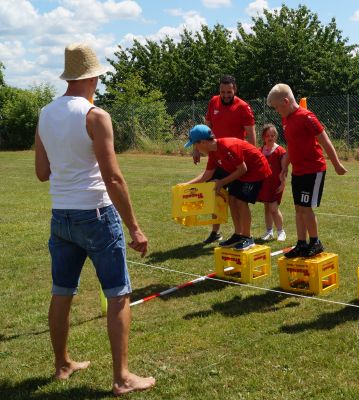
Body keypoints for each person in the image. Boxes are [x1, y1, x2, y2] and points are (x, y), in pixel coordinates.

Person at [34, 43, 155, 396]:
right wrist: (134, 227)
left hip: (61, 216)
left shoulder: (45, 114)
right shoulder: (95, 116)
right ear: (93, 77)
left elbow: (42, 172)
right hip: (97, 216)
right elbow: (113, 178)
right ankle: (122, 377)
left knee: (62, 291)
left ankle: (62, 364)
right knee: (118, 294)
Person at [267, 84, 347, 258]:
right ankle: (301, 243)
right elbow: (292, 147)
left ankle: (315, 242)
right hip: (298, 171)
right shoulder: (286, 119)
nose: (277, 111)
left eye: (277, 107)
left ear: (286, 101)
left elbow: (325, 141)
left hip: (313, 170)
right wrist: (284, 167)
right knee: (298, 208)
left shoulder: (307, 117)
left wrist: (337, 164)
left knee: (306, 207)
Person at [182, 124, 271, 250]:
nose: (196, 148)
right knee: (232, 198)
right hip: (242, 171)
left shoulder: (228, 146)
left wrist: (222, 182)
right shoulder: (213, 153)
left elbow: (243, 169)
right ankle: (238, 234)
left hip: (256, 170)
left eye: (195, 144)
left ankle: (247, 237)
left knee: (241, 201)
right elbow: (207, 175)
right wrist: (186, 186)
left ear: (203, 142)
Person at [195, 75, 257, 246]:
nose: (226, 95)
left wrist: (251, 157)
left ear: (234, 89)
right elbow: (206, 128)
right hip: (217, 157)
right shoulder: (213, 102)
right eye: (223, 92)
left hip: (236, 159)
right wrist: (196, 148)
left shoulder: (243, 107)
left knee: (238, 200)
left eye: (229, 92)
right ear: (219, 90)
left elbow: (251, 134)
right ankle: (215, 232)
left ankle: (244, 234)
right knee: (215, 193)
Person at [257, 124, 287, 242]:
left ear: (276, 136)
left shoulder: (280, 151)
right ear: (263, 137)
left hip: (276, 184)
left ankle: (281, 231)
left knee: (273, 208)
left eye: (273, 135)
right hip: (264, 184)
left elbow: (284, 169)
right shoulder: (260, 150)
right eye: (267, 135)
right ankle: (269, 231)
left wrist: (283, 184)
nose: (270, 138)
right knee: (266, 207)